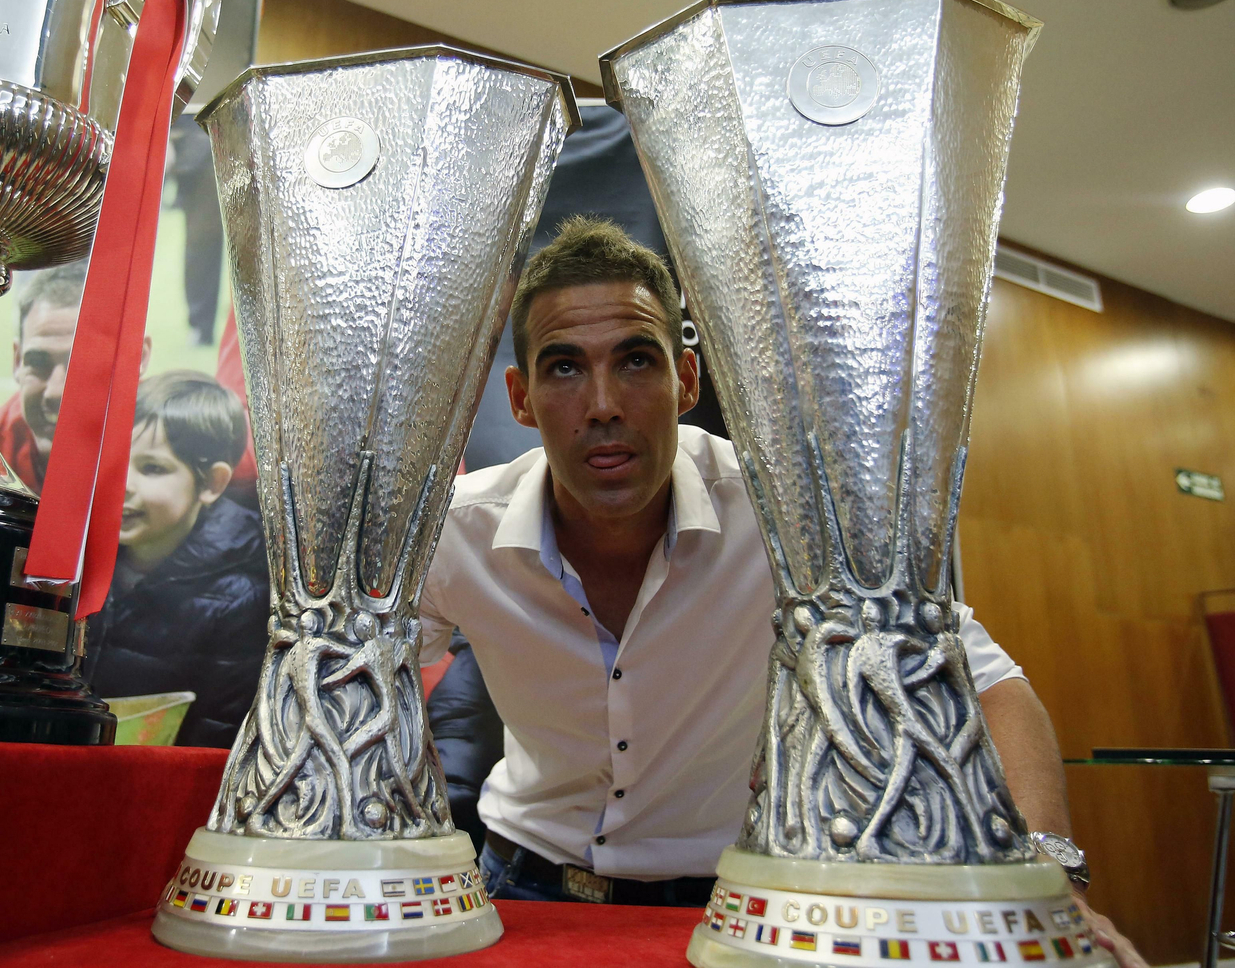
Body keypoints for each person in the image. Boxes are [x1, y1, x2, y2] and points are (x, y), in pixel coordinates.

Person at [417, 217, 1143, 966]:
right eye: (564, 367)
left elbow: (991, 686)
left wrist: (1051, 879)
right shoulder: (455, 532)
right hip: (517, 886)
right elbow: (368, 675)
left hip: (742, 904)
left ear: (687, 380)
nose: (603, 403)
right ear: (522, 396)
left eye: (636, 360)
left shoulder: (792, 517)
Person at [83, 370, 269, 748]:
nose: (123, 484)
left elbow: (216, 735)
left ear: (212, 483)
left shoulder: (240, 600)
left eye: (152, 468)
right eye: (116, 461)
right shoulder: (85, 561)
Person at [0, 262, 152, 494]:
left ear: (138, 358)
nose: (56, 392)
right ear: (17, 361)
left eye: (84, 364)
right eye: (39, 364)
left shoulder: (178, 450)